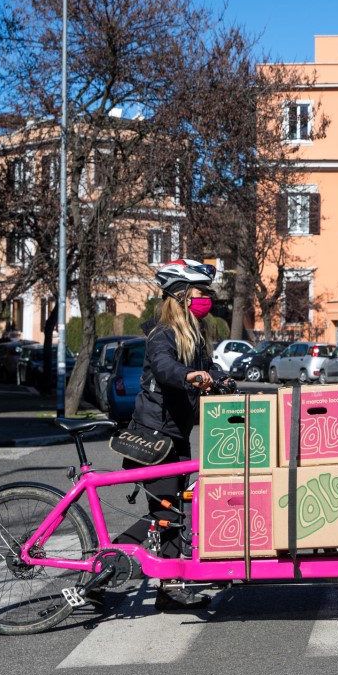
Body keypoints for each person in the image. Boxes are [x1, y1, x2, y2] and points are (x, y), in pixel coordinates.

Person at [118, 258, 223, 610]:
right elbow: (164, 367)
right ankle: (108, 565)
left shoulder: (193, 335)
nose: (206, 298)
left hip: (174, 436)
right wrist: (188, 376)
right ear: (180, 296)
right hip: (153, 438)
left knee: (172, 511)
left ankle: (167, 583)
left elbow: (208, 368)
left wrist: (219, 378)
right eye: (200, 292)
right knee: (167, 513)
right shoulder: (162, 334)